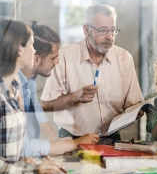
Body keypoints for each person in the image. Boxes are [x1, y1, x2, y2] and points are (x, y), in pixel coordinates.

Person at [40, 4, 143, 144]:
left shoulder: (125, 58)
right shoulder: (64, 57)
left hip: (111, 139)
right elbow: (45, 105)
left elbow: (131, 104)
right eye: (102, 30)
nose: (109, 37)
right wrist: (74, 97)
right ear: (86, 30)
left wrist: (138, 110)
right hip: (72, 139)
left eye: (112, 30)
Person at [19, 21, 100, 157]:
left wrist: (54, 139)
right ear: (36, 59)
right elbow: (22, 147)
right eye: (53, 58)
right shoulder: (11, 88)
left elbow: (36, 110)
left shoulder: (29, 80)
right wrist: (74, 143)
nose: (57, 62)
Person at [0, 19, 62, 174]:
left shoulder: (14, 88)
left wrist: (21, 162)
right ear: (19, 50)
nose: (35, 52)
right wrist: (31, 171)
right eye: (32, 44)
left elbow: (8, 150)